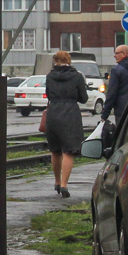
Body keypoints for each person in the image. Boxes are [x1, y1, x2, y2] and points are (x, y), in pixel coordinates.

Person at [44, 50, 88, 198]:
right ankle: (64, 185)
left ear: (55, 61)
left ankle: (56, 181)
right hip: (70, 114)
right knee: (68, 151)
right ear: (69, 60)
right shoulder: (77, 76)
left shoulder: (49, 76)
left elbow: (48, 94)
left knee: (55, 150)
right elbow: (83, 98)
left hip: (53, 113)